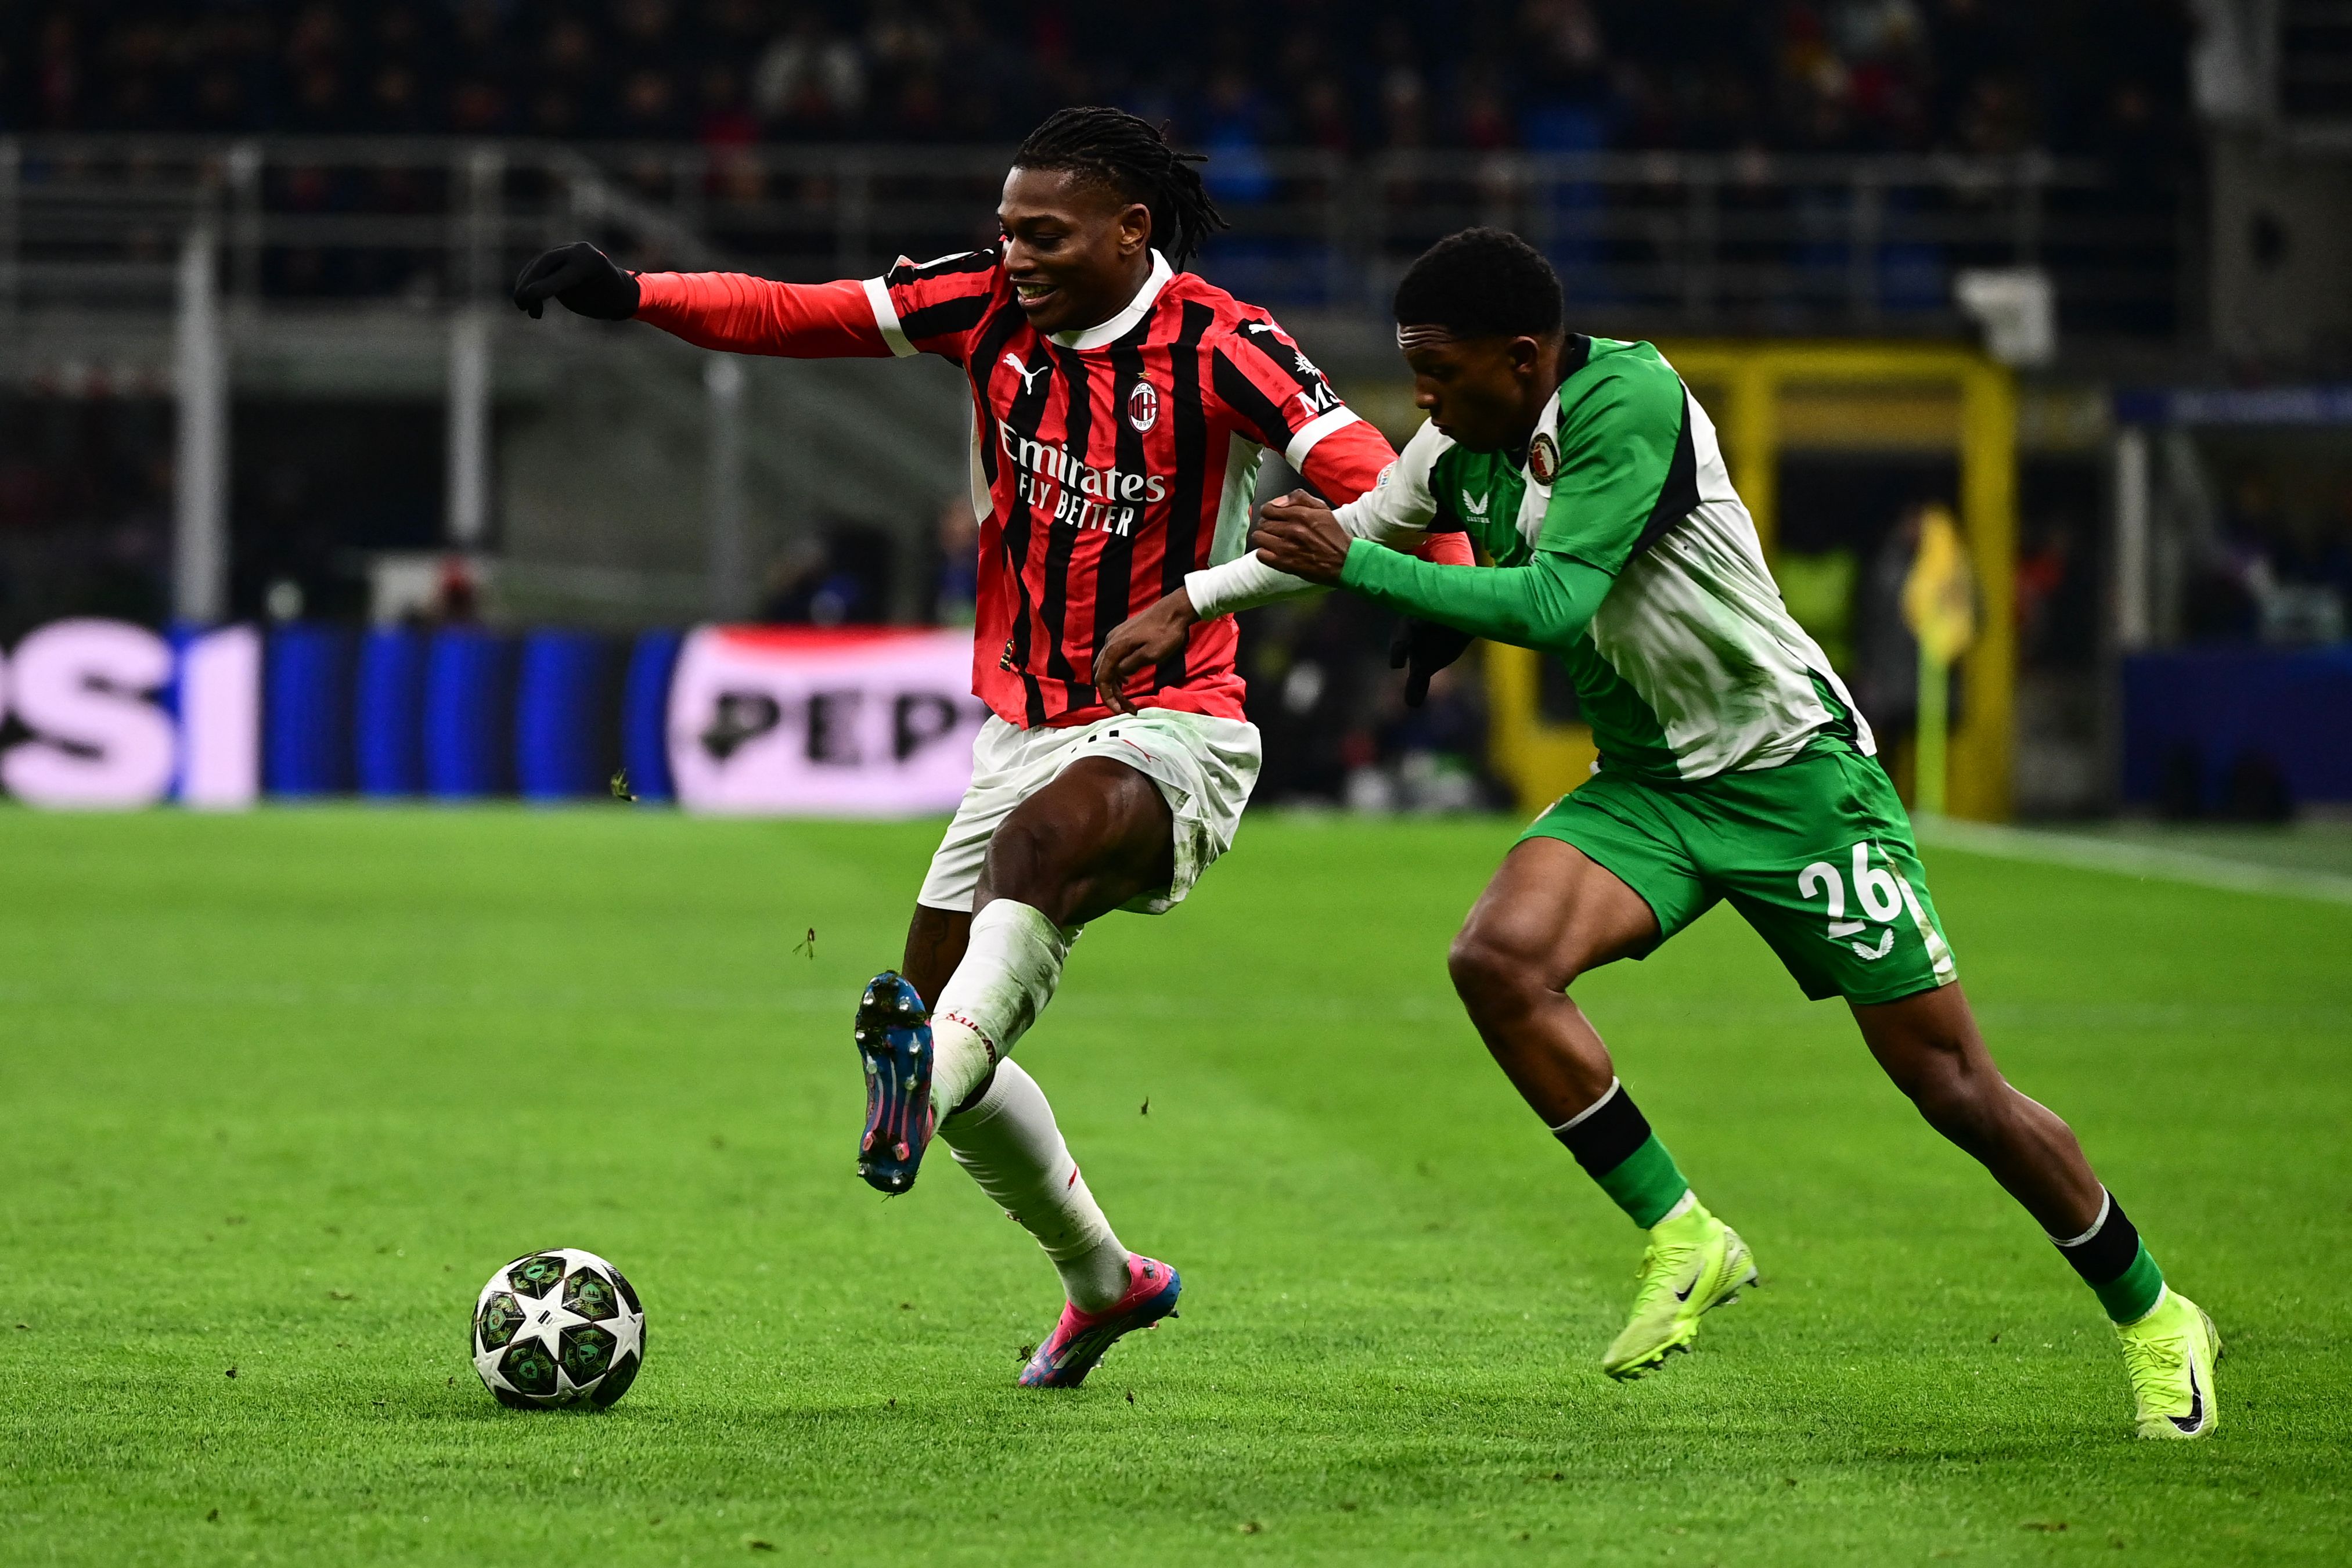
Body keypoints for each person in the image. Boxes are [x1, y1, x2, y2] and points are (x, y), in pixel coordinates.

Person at [1178, 226, 2218, 1440]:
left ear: (1522, 359)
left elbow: (1551, 598)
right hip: (1653, 785)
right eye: (1413, 367)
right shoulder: (1458, 444)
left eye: (1438, 368)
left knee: (1949, 1084)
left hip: (1793, 779)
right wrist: (1184, 607)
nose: (1420, 393)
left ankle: (2154, 1317)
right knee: (1498, 960)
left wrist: (1375, 582)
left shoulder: (1630, 399)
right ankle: (1684, 1233)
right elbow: (1349, 537)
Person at [511, 107, 1470, 1389]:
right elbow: (791, 315)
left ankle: (933, 1070)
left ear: (1131, 230)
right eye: (1006, 228)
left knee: (1033, 864)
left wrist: (1443, 584)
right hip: (1021, 726)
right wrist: (635, 294)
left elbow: (1376, 475)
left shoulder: (1225, 345)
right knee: (931, 1026)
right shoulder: (981, 308)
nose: (1012, 253)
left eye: (1044, 233)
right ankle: (1104, 1279)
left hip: (1177, 718)